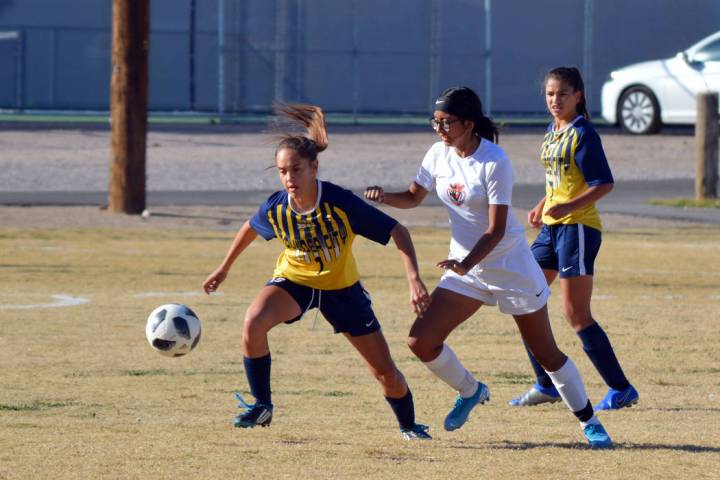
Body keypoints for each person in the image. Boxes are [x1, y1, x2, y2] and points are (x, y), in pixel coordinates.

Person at [364, 86, 612, 448]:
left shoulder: (494, 161)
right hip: (467, 268)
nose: (439, 130)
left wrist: (465, 263)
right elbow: (414, 197)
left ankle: (590, 422)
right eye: (434, 122)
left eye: (446, 122)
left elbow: (496, 230)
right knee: (421, 341)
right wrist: (384, 196)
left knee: (546, 354)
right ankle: (471, 390)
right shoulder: (437, 154)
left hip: (509, 266)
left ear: (468, 123)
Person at [203, 103, 432, 440]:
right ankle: (262, 404)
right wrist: (224, 267)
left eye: (296, 170)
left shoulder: (341, 202)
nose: (289, 178)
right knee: (253, 322)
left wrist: (413, 279)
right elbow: (251, 227)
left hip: (342, 291)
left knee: (384, 373)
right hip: (294, 282)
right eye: (282, 171)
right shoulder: (277, 205)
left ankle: (409, 426)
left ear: (314, 168)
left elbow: (398, 231)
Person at [509, 67, 639, 411]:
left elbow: (603, 183)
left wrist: (568, 205)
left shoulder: (583, 133)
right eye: (550, 94)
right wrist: (542, 204)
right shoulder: (553, 131)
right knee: (524, 297)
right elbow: (559, 180)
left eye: (563, 94)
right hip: (552, 228)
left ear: (578, 95)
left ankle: (621, 388)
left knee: (575, 313)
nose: (555, 100)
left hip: (578, 228)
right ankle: (546, 385)